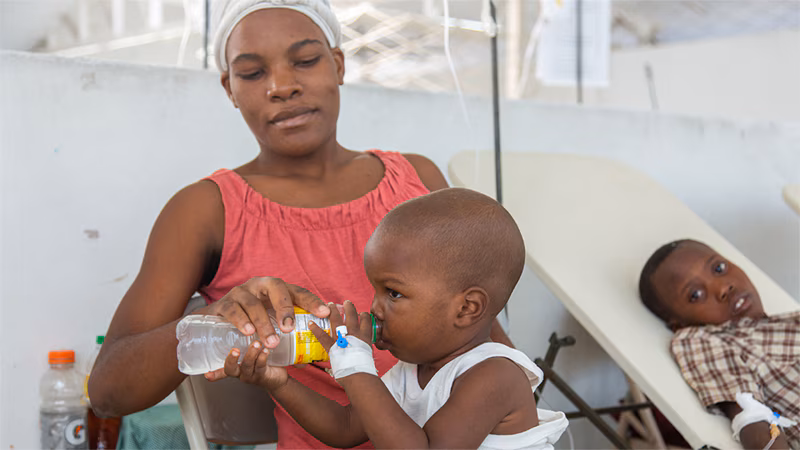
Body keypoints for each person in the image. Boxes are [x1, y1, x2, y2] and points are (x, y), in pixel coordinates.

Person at [87, 0, 511, 447]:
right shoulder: (206, 211)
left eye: (305, 61)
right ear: (229, 89)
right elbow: (109, 391)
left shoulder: (417, 180)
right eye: (252, 73)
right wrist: (219, 315)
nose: (283, 86)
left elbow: (490, 344)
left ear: (338, 64)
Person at [218, 188, 569, 449]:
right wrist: (280, 383)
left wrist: (354, 365)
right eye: (376, 292)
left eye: (394, 293)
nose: (376, 307)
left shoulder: (495, 375)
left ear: (466, 308)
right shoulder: (411, 372)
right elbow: (346, 427)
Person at [639, 239, 800, 449]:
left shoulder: (790, 321)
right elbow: (751, 415)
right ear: (679, 324)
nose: (723, 287)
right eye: (695, 295)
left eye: (719, 268)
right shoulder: (705, 341)